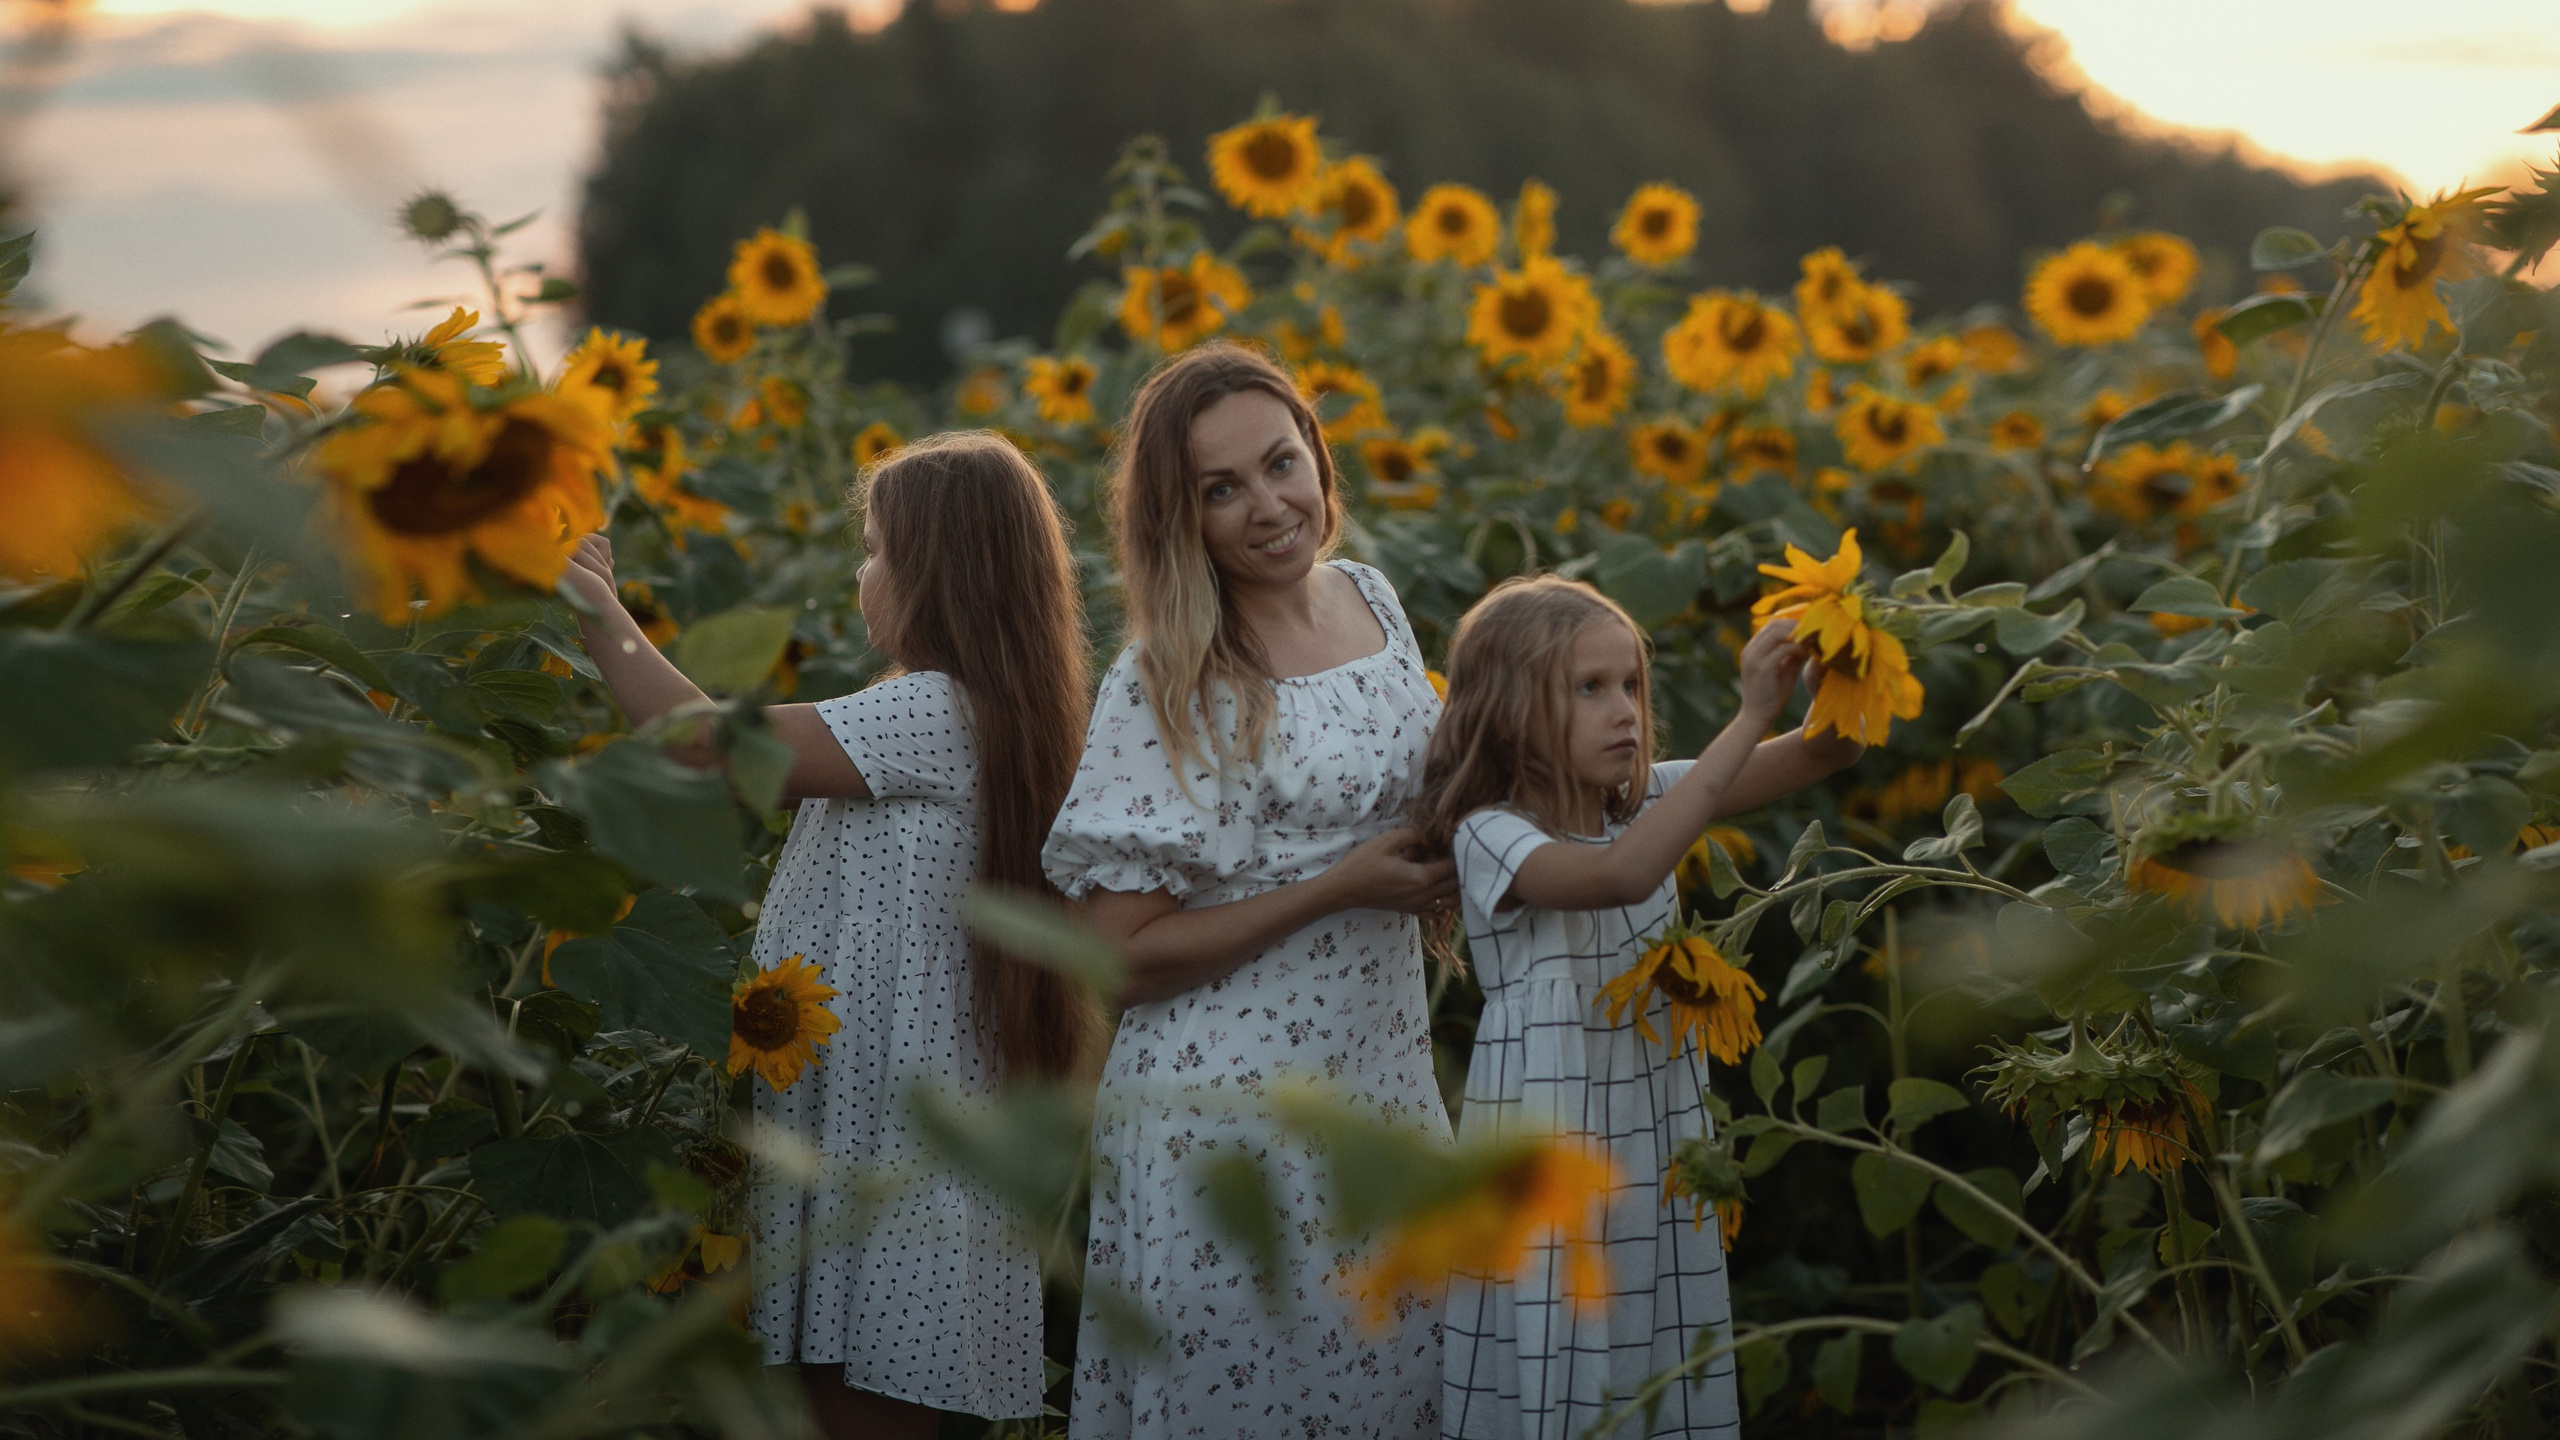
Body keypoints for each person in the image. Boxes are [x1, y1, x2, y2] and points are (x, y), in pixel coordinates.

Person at [562, 432, 1095, 1440]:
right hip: (895, 1131)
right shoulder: (979, 712)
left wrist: (596, 610)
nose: (862, 575)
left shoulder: (933, 713)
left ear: (937, 575)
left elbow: (706, 747)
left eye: (876, 552)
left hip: (890, 1147)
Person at [1042, 342, 1459, 1437]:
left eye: (1279, 464)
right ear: (1179, 518)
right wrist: (1338, 887)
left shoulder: (1370, 599)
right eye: (1219, 490)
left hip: (1380, 1084)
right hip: (1227, 1120)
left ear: (1316, 454)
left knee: (1392, 1397)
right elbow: (1117, 957)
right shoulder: (1169, 675)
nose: (1267, 507)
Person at [1410, 576, 1859, 1440]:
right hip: (1552, 1134)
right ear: (1508, 715)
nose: (1624, 711)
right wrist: (1747, 715)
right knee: (1559, 1329)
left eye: (1630, 685)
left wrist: (1835, 663)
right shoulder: (1491, 833)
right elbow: (1622, 875)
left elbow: (1827, 753)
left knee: (1650, 1325)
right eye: (1589, 688)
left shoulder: (1647, 802)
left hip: (1650, 1127)